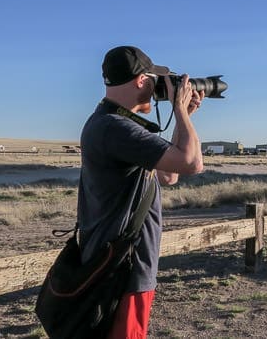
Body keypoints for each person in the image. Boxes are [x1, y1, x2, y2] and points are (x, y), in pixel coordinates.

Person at [77, 45, 205, 339]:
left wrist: (185, 116)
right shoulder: (115, 128)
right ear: (140, 80)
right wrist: (178, 111)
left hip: (121, 266)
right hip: (124, 269)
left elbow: (169, 174)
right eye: (155, 81)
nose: (158, 89)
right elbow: (192, 163)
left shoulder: (109, 123)